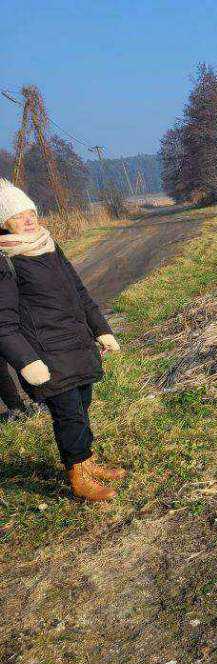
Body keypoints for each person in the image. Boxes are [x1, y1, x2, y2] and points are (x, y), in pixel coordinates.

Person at [0, 178, 124, 502]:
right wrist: (27, 362)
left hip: (77, 344)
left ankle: (87, 460)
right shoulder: (6, 261)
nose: (29, 219)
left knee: (82, 405)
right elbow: (4, 323)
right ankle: (77, 476)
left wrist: (101, 329)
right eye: (19, 216)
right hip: (46, 355)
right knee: (69, 414)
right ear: (4, 223)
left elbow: (79, 292)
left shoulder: (50, 246)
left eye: (31, 212)